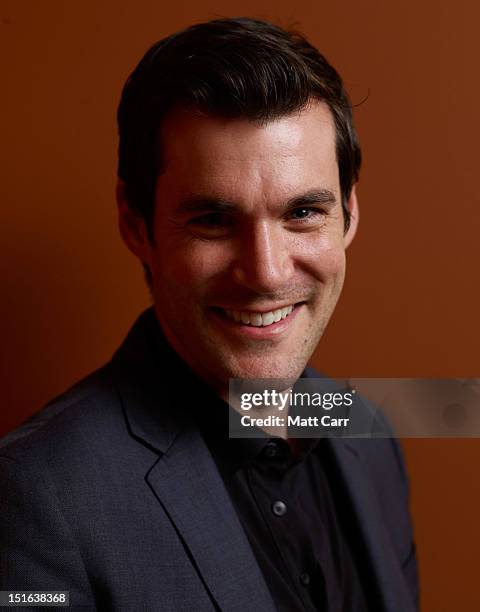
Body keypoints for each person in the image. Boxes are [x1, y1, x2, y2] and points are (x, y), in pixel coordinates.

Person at [0, 17, 419, 611]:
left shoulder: (368, 430)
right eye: (214, 221)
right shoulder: (35, 494)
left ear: (349, 213)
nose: (267, 273)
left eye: (303, 212)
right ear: (135, 224)